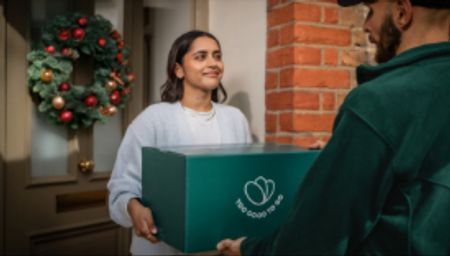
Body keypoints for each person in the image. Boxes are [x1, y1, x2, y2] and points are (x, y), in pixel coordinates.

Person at [217, 0, 450, 255]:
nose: (366, 25)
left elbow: (310, 241)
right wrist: (359, 151)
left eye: (371, 12)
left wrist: (249, 248)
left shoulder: (378, 103)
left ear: (402, 12)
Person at [107, 30, 252, 255]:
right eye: (201, 56)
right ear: (179, 69)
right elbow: (122, 185)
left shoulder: (236, 119)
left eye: (217, 55)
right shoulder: (153, 119)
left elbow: (243, 181)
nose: (213, 63)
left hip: (220, 245)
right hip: (162, 248)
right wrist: (133, 207)